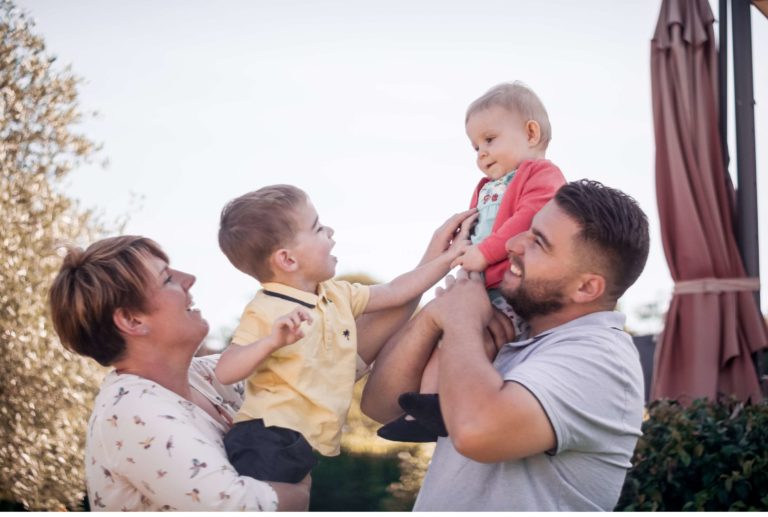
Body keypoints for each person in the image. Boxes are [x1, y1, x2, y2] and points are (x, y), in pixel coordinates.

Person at [361, 180, 650, 511]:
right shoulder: (510, 327)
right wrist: (434, 316)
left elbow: (475, 433)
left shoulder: (600, 358)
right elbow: (381, 405)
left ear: (586, 287)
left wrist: (461, 324)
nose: (512, 243)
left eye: (538, 242)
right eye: (528, 229)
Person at [214, 185, 476, 483]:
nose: (331, 231)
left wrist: (448, 256)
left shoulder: (336, 295)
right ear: (288, 260)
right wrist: (271, 341)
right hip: (265, 437)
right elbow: (225, 370)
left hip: (302, 444)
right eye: (318, 228)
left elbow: (397, 292)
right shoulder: (267, 309)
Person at [47, 236, 309, 511]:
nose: (190, 279)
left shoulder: (204, 377)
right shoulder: (130, 411)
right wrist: (302, 487)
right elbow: (238, 508)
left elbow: (312, 368)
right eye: (167, 278)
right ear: (132, 320)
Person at [377, 81, 566, 442]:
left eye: (490, 140)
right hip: (479, 281)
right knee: (448, 339)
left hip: (511, 285)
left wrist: (485, 251)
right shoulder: (488, 184)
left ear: (530, 133)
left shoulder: (541, 175)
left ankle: (446, 405)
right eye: (475, 146)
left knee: (478, 339)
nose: (481, 153)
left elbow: (527, 217)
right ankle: (427, 407)